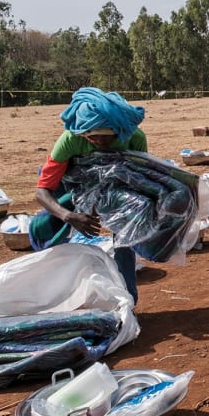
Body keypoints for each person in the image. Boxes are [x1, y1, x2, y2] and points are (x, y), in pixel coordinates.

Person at [34, 87, 148, 302]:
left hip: (117, 185)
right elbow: (42, 191)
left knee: (124, 238)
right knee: (46, 228)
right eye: (93, 139)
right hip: (74, 187)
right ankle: (57, 289)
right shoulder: (70, 140)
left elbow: (139, 177)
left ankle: (127, 298)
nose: (101, 143)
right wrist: (68, 216)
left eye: (108, 138)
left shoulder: (133, 137)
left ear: (119, 132)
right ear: (83, 133)